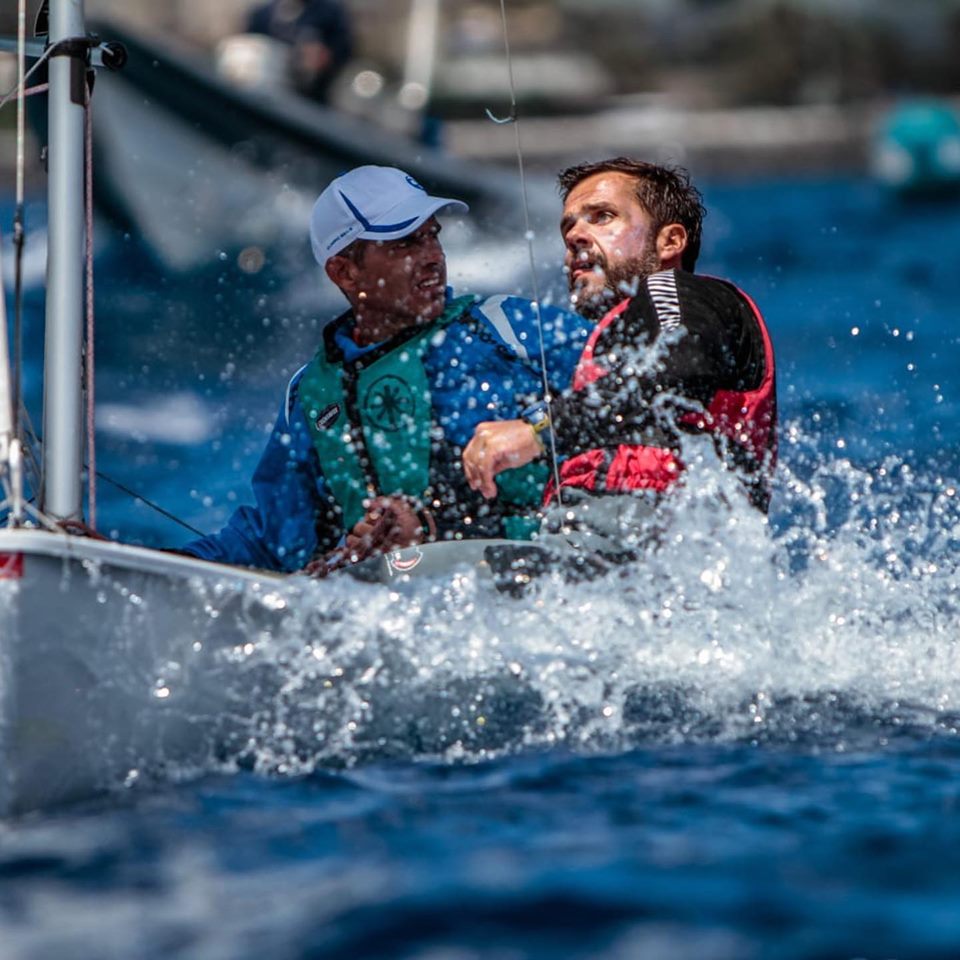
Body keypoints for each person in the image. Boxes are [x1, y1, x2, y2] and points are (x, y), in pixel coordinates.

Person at [181, 165, 592, 573]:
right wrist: (162, 563)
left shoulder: (507, 327)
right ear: (344, 272)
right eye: (405, 243)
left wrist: (538, 429)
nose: (433, 257)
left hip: (542, 578)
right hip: (408, 601)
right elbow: (272, 541)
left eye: (432, 235)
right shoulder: (313, 395)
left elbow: (624, 384)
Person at [462, 157, 777, 554]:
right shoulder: (610, 355)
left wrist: (539, 432)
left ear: (670, 242)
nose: (575, 236)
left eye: (602, 217)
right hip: (603, 555)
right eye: (568, 228)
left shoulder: (677, 291)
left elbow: (680, 367)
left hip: (651, 549)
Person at [246, 0, 353, 103]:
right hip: (262, 91)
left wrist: (321, 57)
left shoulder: (330, 13)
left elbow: (342, 51)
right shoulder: (265, 12)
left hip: (306, 97)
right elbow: (250, 42)